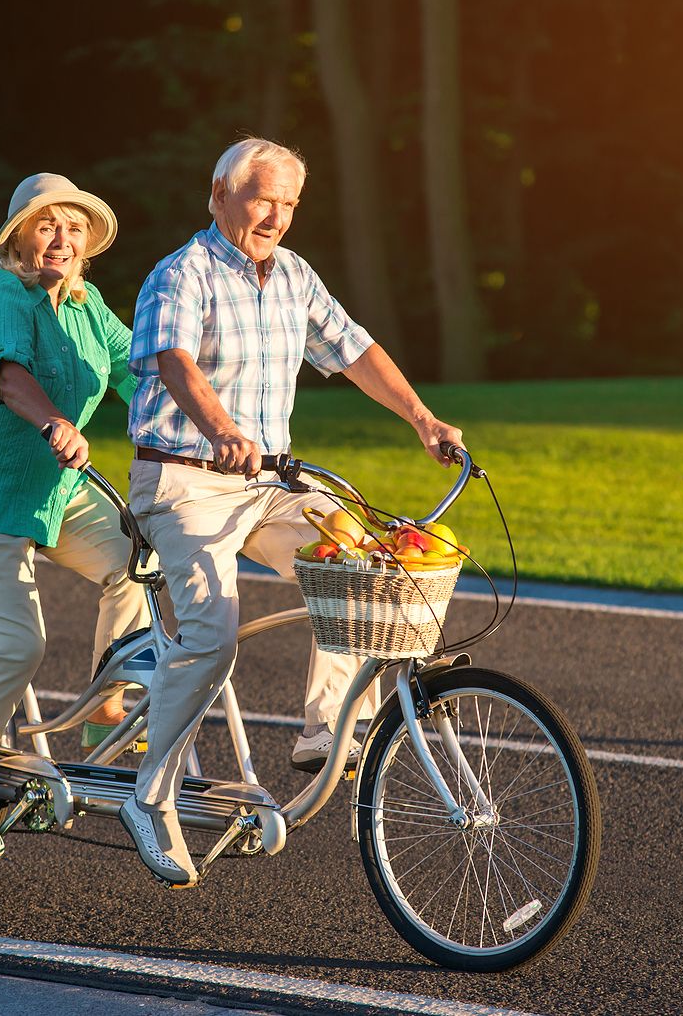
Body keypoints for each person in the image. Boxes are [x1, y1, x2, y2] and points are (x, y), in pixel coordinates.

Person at [119, 137, 464, 886]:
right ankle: (150, 797)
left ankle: (323, 733)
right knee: (211, 639)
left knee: (364, 559)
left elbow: (354, 348)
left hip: (266, 484)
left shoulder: (294, 277)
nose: (274, 215)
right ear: (219, 195)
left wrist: (422, 419)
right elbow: (175, 362)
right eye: (260, 198)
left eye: (288, 204)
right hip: (184, 482)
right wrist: (224, 432)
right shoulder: (181, 275)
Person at [0, 172, 146, 858]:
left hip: (52, 489)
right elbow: (9, 374)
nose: (62, 238)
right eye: (47, 225)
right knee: (19, 645)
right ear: (18, 236)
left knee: (141, 559)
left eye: (74, 228)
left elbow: (139, 367)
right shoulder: (0, 297)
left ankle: (106, 714)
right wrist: (54, 423)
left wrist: (196, 418)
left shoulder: (86, 303)